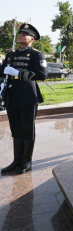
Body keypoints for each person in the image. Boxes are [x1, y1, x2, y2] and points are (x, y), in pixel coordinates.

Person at [0, 23, 47, 174]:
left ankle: (26, 161)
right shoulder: (10, 55)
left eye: (24, 34)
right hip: (12, 96)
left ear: (32, 39)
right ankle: (17, 160)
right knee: (16, 128)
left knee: (27, 128)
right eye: (20, 33)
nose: (20, 35)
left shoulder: (36, 55)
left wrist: (19, 74)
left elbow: (42, 75)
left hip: (28, 96)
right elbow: (2, 73)